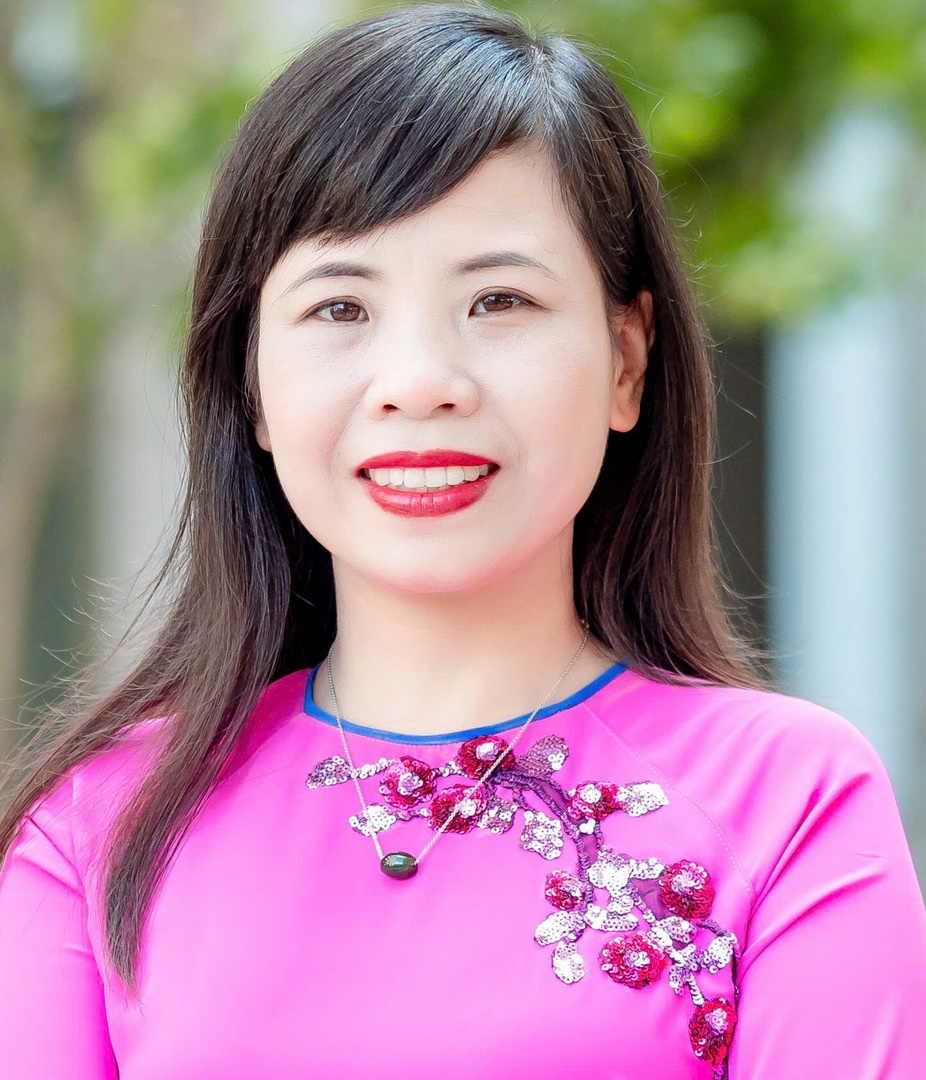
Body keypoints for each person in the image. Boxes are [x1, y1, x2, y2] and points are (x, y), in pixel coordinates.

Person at [1, 3, 924, 1077]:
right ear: (250, 384)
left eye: (498, 299)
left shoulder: (789, 802)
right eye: (340, 309)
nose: (420, 383)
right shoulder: (98, 831)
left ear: (626, 362)